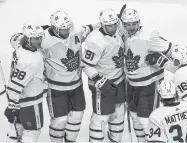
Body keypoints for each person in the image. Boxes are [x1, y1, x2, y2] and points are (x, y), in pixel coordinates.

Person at [41, 10, 99, 142]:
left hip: (76, 85)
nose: (66, 32)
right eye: (63, 29)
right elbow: (21, 44)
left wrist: (105, 22)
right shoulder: (44, 40)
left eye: (68, 28)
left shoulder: (76, 31)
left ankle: (70, 141)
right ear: (54, 28)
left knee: (77, 116)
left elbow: (90, 28)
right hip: (56, 88)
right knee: (59, 121)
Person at [121, 9, 172, 142]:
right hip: (131, 83)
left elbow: (170, 50)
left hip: (149, 83)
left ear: (139, 22)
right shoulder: (123, 34)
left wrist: (182, 63)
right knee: (135, 116)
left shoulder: (150, 35)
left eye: (134, 23)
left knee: (147, 119)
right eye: (127, 24)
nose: (131, 27)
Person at [81, 9, 125, 142]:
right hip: (103, 83)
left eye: (114, 24)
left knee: (118, 115)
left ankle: (116, 140)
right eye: (109, 25)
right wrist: (98, 79)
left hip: (119, 80)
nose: (112, 28)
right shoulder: (94, 40)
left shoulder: (118, 29)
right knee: (101, 117)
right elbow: (86, 64)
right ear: (102, 25)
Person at [5, 22, 46, 142]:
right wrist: (12, 106)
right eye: (34, 38)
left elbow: (14, 37)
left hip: (18, 98)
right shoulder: (29, 61)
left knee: (17, 127)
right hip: (30, 99)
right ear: (27, 39)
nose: (38, 41)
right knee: (33, 131)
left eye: (40, 37)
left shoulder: (18, 43)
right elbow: (16, 85)